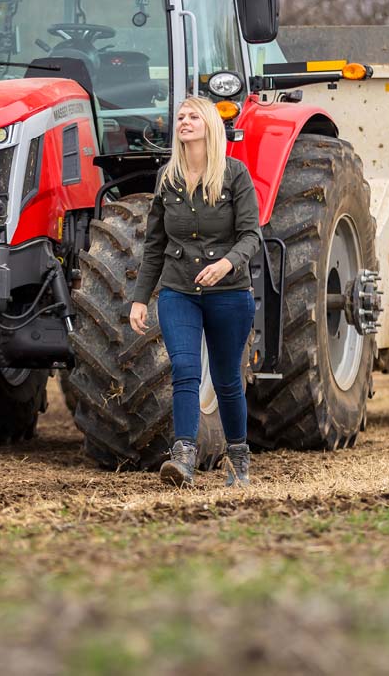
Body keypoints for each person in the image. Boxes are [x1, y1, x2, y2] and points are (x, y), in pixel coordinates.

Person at [130, 95, 262, 488]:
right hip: (178, 291)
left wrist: (226, 264)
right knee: (185, 369)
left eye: (193, 116)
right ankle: (183, 456)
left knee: (225, 379)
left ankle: (237, 456)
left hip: (230, 293)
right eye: (181, 117)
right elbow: (154, 245)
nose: (184, 121)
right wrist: (140, 297)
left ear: (209, 125)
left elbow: (251, 235)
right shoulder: (167, 179)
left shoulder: (235, 174)